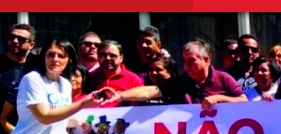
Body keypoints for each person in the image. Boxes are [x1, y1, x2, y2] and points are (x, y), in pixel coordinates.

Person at [101, 39, 247, 108]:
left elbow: (243, 101)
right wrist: (120, 95)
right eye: (184, 60)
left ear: (207, 59)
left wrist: (218, 98)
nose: (186, 65)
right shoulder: (179, 82)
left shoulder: (224, 78)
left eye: (191, 60)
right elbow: (150, 91)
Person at [83, 40, 144, 108]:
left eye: (112, 55)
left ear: (121, 58)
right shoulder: (89, 77)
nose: (108, 58)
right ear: (98, 57)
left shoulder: (133, 79)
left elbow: (141, 104)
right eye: (103, 55)